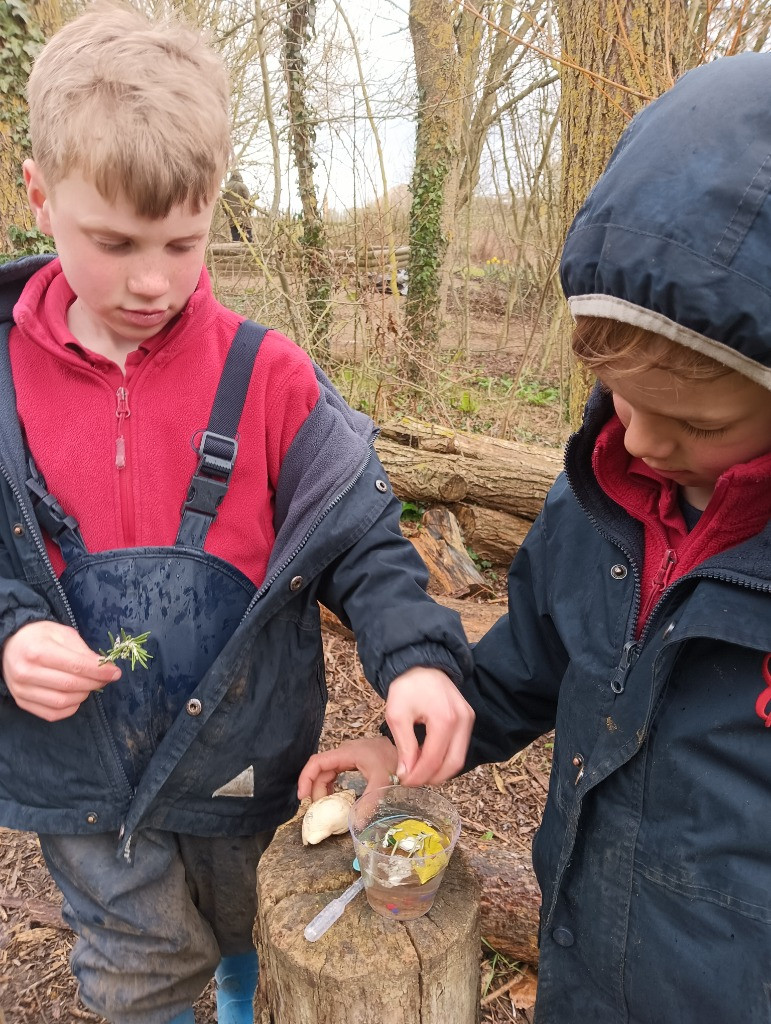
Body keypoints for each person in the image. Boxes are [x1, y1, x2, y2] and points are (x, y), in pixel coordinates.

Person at [0, 6, 474, 1024]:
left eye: (184, 239)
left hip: (248, 770)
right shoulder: (1, 383)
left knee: (260, 936)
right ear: (38, 195)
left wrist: (420, 658)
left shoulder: (270, 379)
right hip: (85, 787)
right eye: (114, 241)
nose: (153, 280)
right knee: (138, 977)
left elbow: (364, 546)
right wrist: (9, 635)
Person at [298, 53, 771, 1022]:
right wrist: (411, 737)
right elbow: (522, 670)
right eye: (624, 401)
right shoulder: (604, 502)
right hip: (583, 980)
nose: (636, 440)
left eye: (697, 427)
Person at [222, 170, 253, 243]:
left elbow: (223, 203)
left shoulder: (226, 187)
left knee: (236, 240)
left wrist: (228, 214)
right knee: (248, 241)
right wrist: (248, 212)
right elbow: (248, 201)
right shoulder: (242, 186)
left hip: (232, 218)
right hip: (244, 218)